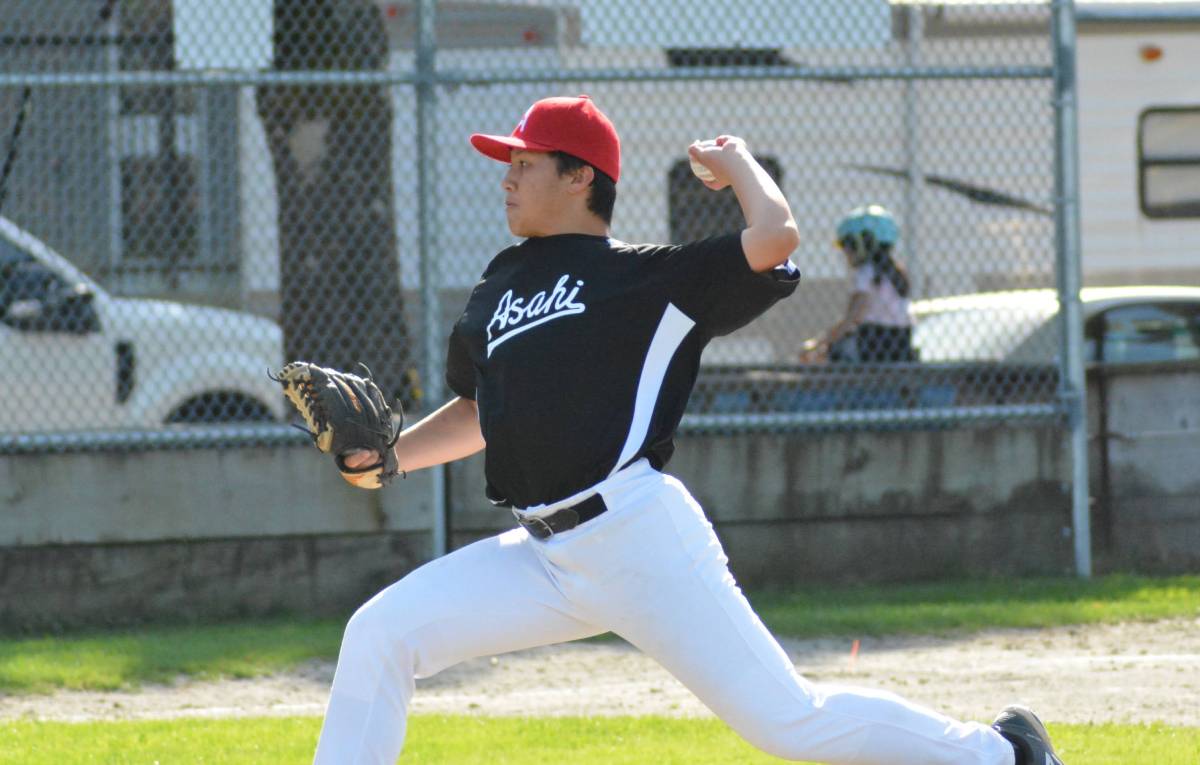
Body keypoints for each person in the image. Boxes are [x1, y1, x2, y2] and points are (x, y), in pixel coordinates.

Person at [313, 95, 1064, 765]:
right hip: (542, 555)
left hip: (639, 538)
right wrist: (389, 459)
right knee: (380, 633)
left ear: (581, 178)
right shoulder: (497, 285)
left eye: (525, 161)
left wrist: (736, 163)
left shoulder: (648, 276)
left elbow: (774, 237)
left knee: (792, 723)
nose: (506, 175)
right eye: (507, 162)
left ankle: (1004, 752)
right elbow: (478, 411)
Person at [800, 204, 917, 364]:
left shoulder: (865, 273)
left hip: (875, 340)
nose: (846, 253)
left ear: (864, 243)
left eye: (848, 245)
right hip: (901, 340)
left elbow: (854, 316)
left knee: (834, 349)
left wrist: (819, 342)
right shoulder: (895, 273)